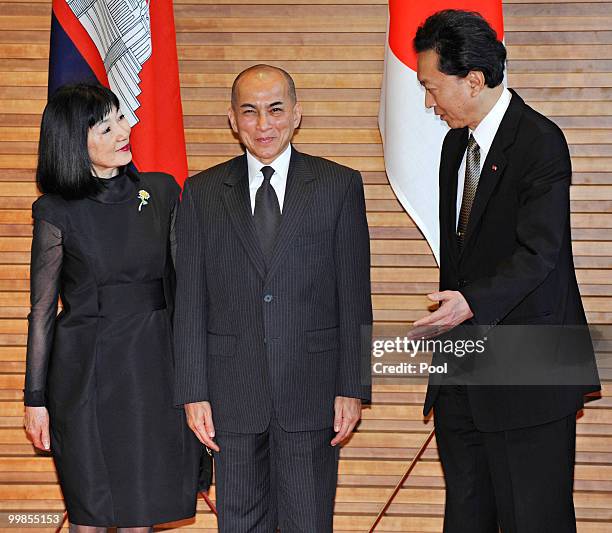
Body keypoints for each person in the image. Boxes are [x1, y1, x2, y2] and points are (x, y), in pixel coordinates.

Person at [411, 10, 601, 533]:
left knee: (533, 520)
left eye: (432, 87)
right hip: (464, 373)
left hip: (529, 373)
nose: (428, 103)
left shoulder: (540, 141)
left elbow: (540, 253)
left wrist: (471, 303)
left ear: (473, 80)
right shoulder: (455, 146)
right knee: (467, 518)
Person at [173, 64, 372, 532]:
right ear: (232, 120)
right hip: (231, 394)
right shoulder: (202, 193)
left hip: (313, 389)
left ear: (296, 114)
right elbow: (190, 301)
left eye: (276, 110)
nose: (264, 125)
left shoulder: (338, 185)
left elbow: (354, 296)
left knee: (308, 521)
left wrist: (352, 386)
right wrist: (193, 391)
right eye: (250, 112)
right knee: (240, 523)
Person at [23, 84, 209, 532]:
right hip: (83, 373)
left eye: (120, 118)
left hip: (152, 372)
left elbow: (185, 292)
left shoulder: (162, 191)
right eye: (105, 127)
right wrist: (35, 399)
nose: (123, 131)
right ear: (75, 142)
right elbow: (43, 310)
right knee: (90, 513)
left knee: (140, 512)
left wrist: (196, 380)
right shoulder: (55, 210)